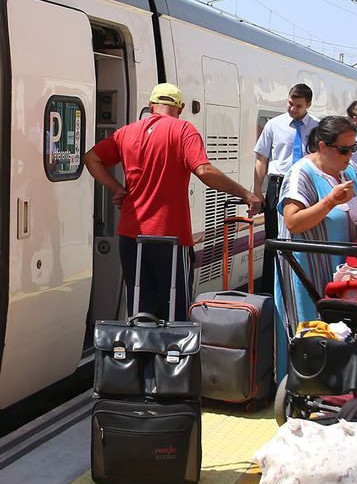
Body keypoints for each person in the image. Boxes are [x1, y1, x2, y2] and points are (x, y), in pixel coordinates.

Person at [83, 82, 262, 322]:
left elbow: (91, 158)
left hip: (131, 235)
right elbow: (204, 171)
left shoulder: (126, 133)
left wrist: (118, 189)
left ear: (151, 106)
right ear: (180, 107)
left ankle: (140, 356)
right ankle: (171, 357)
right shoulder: (183, 130)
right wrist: (246, 194)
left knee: (138, 305)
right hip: (170, 236)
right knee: (174, 311)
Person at [275, 115, 357, 328]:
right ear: (323, 146)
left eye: (353, 147)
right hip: (311, 278)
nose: (350, 155)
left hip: (348, 279)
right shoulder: (301, 174)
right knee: (316, 342)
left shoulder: (350, 170)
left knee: (348, 340)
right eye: (344, 149)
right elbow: (292, 222)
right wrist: (330, 201)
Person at [253, 83, 318, 284]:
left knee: (304, 235)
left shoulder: (317, 126)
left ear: (308, 104)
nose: (292, 109)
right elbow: (261, 159)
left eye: (298, 106)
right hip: (278, 184)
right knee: (273, 238)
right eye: (290, 103)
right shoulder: (274, 125)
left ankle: (301, 282)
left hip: (307, 186)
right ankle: (271, 288)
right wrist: (256, 191)